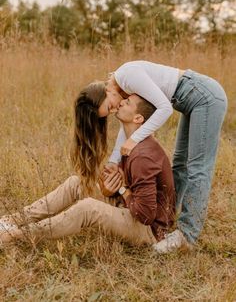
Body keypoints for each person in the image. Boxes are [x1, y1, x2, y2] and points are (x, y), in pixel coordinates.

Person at [70, 61, 227, 253]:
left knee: (197, 168)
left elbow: (165, 109)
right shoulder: (123, 88)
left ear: (108, 91)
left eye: (110, 106)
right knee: (179, 163)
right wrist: (113, 161)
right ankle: (167, 219)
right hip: (191, 101)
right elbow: (126, 125)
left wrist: (134, 139)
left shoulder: (127, 76)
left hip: (205, 97)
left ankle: (187, 235)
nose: (114, 110)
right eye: (110, 112)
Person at [0, 88, 175, 249]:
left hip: (148, 230)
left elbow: (145, 215)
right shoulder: (131, 144)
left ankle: (14, 235)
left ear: (138, 118)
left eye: (128, 103)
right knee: (77, 183)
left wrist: (122, 189)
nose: (121, 102)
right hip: (128, 208)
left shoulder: (143, 155)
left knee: (88, 208)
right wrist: (111, 188)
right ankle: (12, 220)